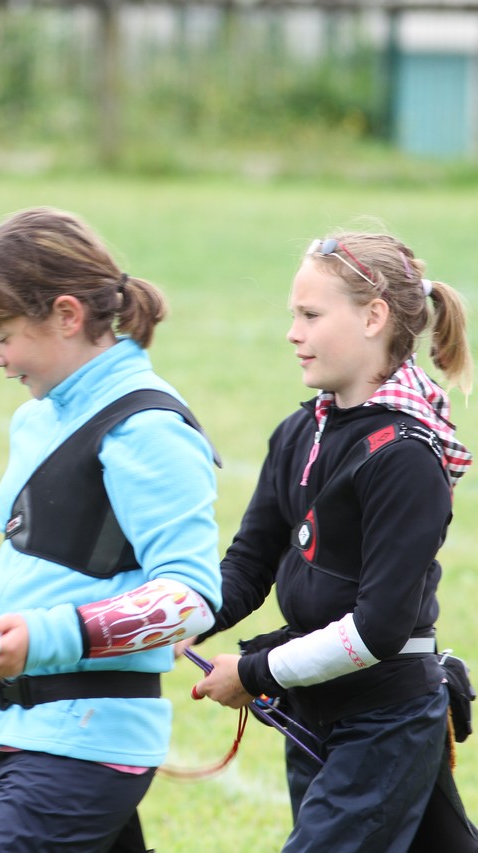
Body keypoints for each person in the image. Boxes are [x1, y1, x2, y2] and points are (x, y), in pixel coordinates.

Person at [0, 207, 223, 852]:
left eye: (3, 336)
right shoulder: (37, 421)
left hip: (82, 747)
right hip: (3, 734)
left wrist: (49, 636)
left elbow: (188, 599)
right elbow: (26, 585)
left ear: (67, 316)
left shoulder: (147, 430)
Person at [187, 231, 476, 851]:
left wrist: (258, 671)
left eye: (311, 315)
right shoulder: (298, 431)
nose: (294, 333)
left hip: (386, 721)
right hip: (314, 709)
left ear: (374, 317)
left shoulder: (405, 455)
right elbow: (248, 565)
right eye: (295, 315)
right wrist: (172, 619)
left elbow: (378, 630)